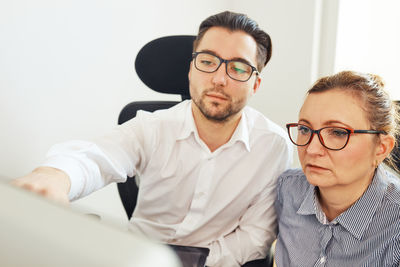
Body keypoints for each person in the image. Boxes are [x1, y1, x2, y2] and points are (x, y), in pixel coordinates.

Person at [13, 11, 292, 267]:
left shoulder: (273, 144)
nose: (219, 78)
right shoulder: (152, 127)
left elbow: (256, 236)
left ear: (255, 83)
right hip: (138, 257)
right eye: (207, 61)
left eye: (239, 68)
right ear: (191, 70)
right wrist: (54, 176)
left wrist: (191, 263)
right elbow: (95, 157)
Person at [275, 70, 400, 266]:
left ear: (381, 148)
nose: (312, 149)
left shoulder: (395, 228)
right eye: (305, 129)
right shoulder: (286, 189)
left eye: (338, 132)